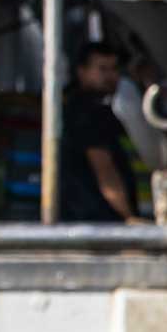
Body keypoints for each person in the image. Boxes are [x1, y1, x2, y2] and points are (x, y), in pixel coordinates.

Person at [59, 40, 143, 223]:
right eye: (102, 69)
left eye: (114, 69)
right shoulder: (86, 112)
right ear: (82, 72)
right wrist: (129, 217)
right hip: (96, 221)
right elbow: (104, 168)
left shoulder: (87, 106)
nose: (111, 76)